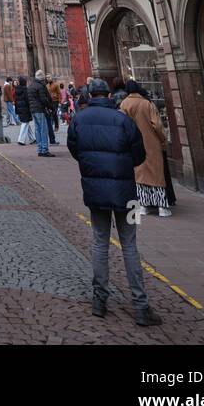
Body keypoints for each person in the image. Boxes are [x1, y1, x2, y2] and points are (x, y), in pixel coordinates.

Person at [66, 77, 162, 327]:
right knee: (129, 244)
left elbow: (74, 149)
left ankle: (99, 300)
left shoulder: (80, 119)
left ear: (90, 94)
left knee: (99, 240)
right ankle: (141, 306)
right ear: (109, 95)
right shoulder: (123, 120)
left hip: (95, 190)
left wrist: (92, 166)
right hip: (126, 192)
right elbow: (139, 155)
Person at [120, 81, 173, 218]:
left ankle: (143, 206)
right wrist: (162, 139)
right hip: (151, 142)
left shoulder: (124, 104)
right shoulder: (146, 103)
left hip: (133, 143)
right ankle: (162, 207)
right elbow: (157, 125)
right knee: (156, 175)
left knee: (140, 175)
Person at [26, 71, 55, 157]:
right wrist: (50, 107)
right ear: (42, 78)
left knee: (37, 129)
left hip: (33, 110)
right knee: (43, 129)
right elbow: (44, 99)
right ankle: (44, 150)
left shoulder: (30, 86)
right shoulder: (40, 86)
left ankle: (40, 149)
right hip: (40, 109)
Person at [14, 74, 34, 144]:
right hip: (25, 109)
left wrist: (17, 110)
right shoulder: (25, 89)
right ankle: (21, 140)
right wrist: (31, 108)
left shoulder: (16, 89)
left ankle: (32, 139)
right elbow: (28, 100)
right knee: (25, 123)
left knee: (26, 123)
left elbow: (16, 101)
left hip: (20, 109)